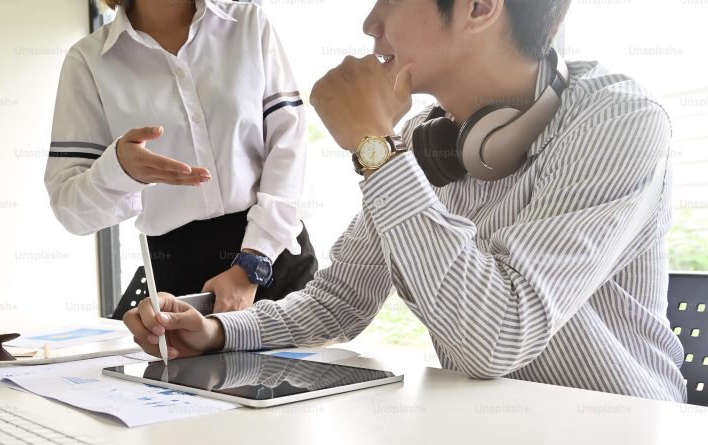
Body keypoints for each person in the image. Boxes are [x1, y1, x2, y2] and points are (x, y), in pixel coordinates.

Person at [124, 0, 687, 402]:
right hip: (494, 434)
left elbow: (497, 339)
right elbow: (339, 301)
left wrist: (375, 149)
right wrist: (219, 331)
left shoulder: (617, 121)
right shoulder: (421, 141)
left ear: (478, 7)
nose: (370, 22)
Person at [45, 0, 318, 313]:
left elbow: (289, 147)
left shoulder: (248, 23)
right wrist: (120, 169)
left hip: (276, 258)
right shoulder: (88, 61)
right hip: (180, 282)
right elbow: (70, 210)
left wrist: (252, 264)